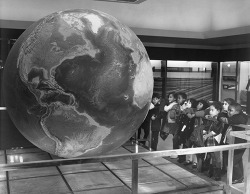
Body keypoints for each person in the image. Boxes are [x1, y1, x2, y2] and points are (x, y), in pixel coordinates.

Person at [219, 102, 248, 184]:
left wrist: (226, 119)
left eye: (230, 110)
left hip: (239, 144)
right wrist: (223, 117)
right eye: (228, 110)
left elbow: (232, 120)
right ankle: (239, 177)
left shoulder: (241, 117)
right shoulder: (231, 116)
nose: (228, 112)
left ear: (237, 111)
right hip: (231, 143)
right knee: (237, 161)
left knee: (233, 161)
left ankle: (238, 177)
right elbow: (220, 116)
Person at [203, 101, 224, 181]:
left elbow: (216, 131)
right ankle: (211, 172)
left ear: (218, 111)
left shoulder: (218, 120)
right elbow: (207, 127)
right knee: (211, 156)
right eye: (210, 110)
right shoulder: (211, 119)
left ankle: (217, 175)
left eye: (212, 110)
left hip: (215, 140)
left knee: (216, 158)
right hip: (210, 140)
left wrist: (206, 135)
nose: (210, 112)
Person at [172, 92, 187, 159]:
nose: (178, 99)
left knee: (182, 140)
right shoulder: (177, 106)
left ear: (184, 99)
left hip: (185, 126)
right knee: (175, 138)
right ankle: (176, 153)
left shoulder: (186, 106)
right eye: (177, 98)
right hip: (179, 125)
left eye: (179, 98)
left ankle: (182, 156)